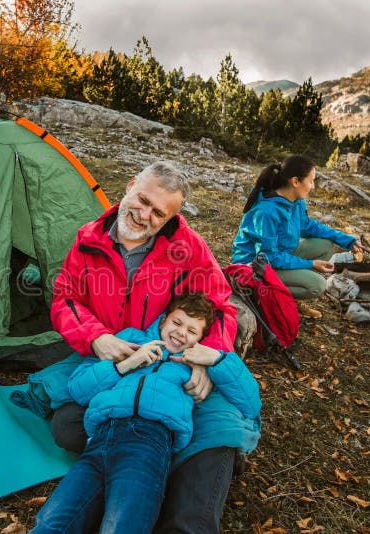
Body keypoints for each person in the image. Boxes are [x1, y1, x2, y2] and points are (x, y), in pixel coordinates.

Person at [49, 160, 250, 533]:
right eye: (141, 200)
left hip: (174, 363)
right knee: (66, 427)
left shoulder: (188, 248)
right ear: (129, 187)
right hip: (117, 364)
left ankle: (181, 501)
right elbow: (65, 298)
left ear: (171, 217)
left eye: (158, 213)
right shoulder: (88, 239)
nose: (143, 215)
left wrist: (205, 361)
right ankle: (154, 463)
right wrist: (96, 336)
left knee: (219, 428)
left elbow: (221, 307)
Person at [33, 293, 261, 533]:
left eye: (192, 331)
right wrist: (125, 364)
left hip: (149, 443)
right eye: (177, 322)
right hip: (99, 439)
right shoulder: (130, 340)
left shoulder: (194, 366)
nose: (182, 332)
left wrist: (216, 358)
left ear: (199, 340)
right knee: (51, 523)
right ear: (163, 320)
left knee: (122, 525)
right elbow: (78, 388)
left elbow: (250, 403)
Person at [232, 155, 360, 318]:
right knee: (318, 285)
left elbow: (307, 226)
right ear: (295, 181)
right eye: (311, 181)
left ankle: (286, 288)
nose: (313, 187)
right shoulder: (267, 212)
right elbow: (266, 257)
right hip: (254, 267)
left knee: (326, 244)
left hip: (277, 256)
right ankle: (267, 297)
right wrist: (310, 264)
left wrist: (346, 239)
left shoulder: (295, 201)